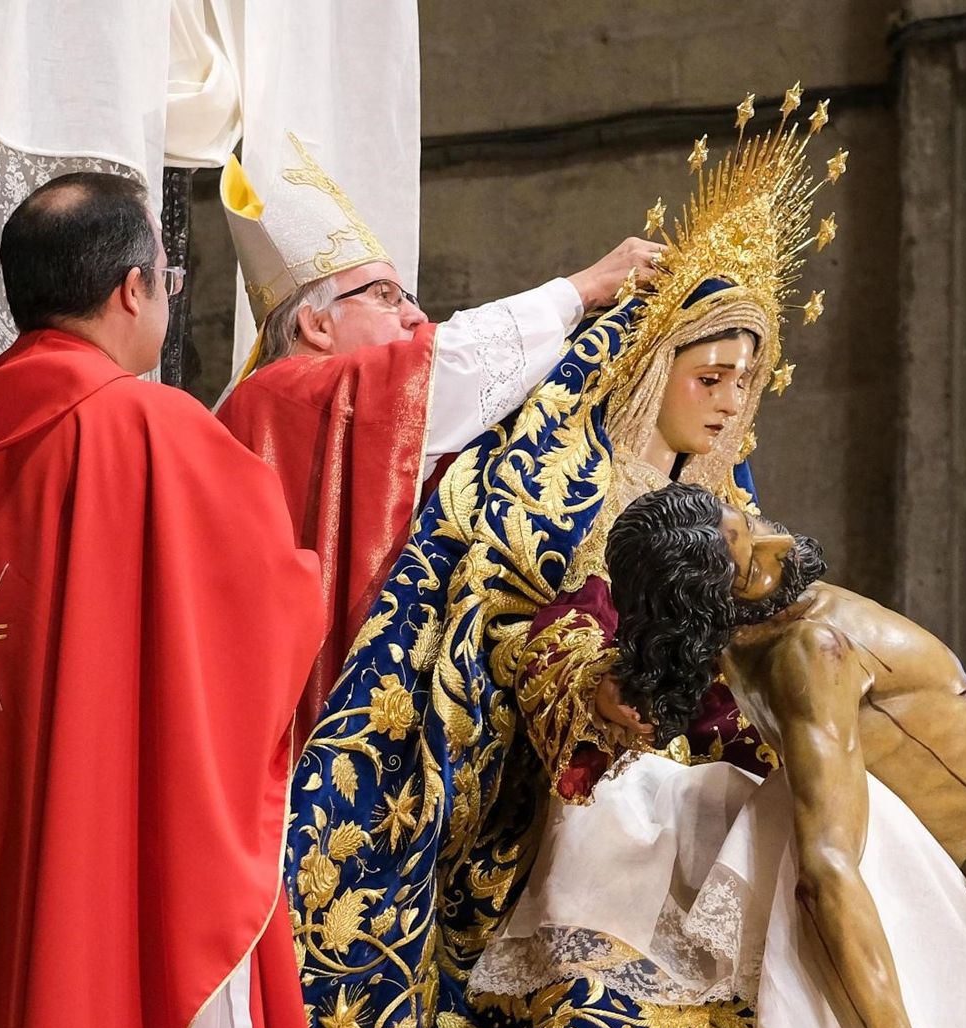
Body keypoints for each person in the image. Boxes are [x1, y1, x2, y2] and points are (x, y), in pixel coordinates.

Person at [284, 92, 837, 1028]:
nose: (727, 403)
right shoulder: (556, 487)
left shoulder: (740, 519)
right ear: (652, 365)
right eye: (708, 374)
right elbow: (509, 637)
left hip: (723, 809)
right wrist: (608, 694)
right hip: (588, 814)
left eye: (746, 382)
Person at [471, 482, 966, 1028]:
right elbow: (828, 871)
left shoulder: (752, 642)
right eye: (748, 560)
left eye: (751, 522)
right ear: (713, 600)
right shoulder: (810, 654)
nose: (774, 542)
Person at [0, 172, 326, 1028]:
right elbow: (276, 605)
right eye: (168, 283)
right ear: (132, 289)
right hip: (91, 872)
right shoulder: (151, 429)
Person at [214, 132, 663, 743]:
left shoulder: (342, 399)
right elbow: (450, 362)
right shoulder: (281, 394)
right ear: (316, 324)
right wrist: (582, 289)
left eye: (411, 299)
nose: (415, 318)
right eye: (385, 296)